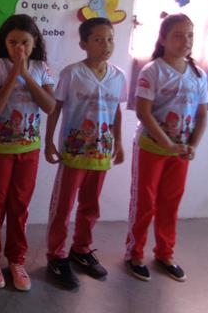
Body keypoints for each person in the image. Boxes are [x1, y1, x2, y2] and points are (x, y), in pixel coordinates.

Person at [125, 13, 208, 282]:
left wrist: (191, 146)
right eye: (178, 35)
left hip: (180, 153)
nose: (186, 41)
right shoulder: (153, 71)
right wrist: (168, 144)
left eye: (190, 35)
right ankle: (135, 254)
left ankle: (165, 253)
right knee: (144, 203)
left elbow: (202, 115)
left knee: (170, 204)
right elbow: (144, 113)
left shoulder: (198, 74)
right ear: (163, 39)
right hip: (151, 149)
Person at [44, 17, 127, 289]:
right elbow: (55, 108)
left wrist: (119, 142)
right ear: (83, 44)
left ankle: (81, 249)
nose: (106, 45)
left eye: (110, 39)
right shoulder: (72, 74)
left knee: (91, 206)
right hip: (73, 154)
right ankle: (56, 255)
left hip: (101, 154)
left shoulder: (118, 76)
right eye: (98, 39)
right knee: (63, 206)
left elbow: (116, 111)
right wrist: (48, 141)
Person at [0, 14, 56, 292]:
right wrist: (14, 73)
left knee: (20, 206)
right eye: (13, 42)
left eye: (25, 42)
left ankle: (16, 260)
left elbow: (49, 106)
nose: (19, 48)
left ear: (34, 43)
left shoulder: (42, 68)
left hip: (29, 149)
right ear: (5, 42)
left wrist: (26, 74)